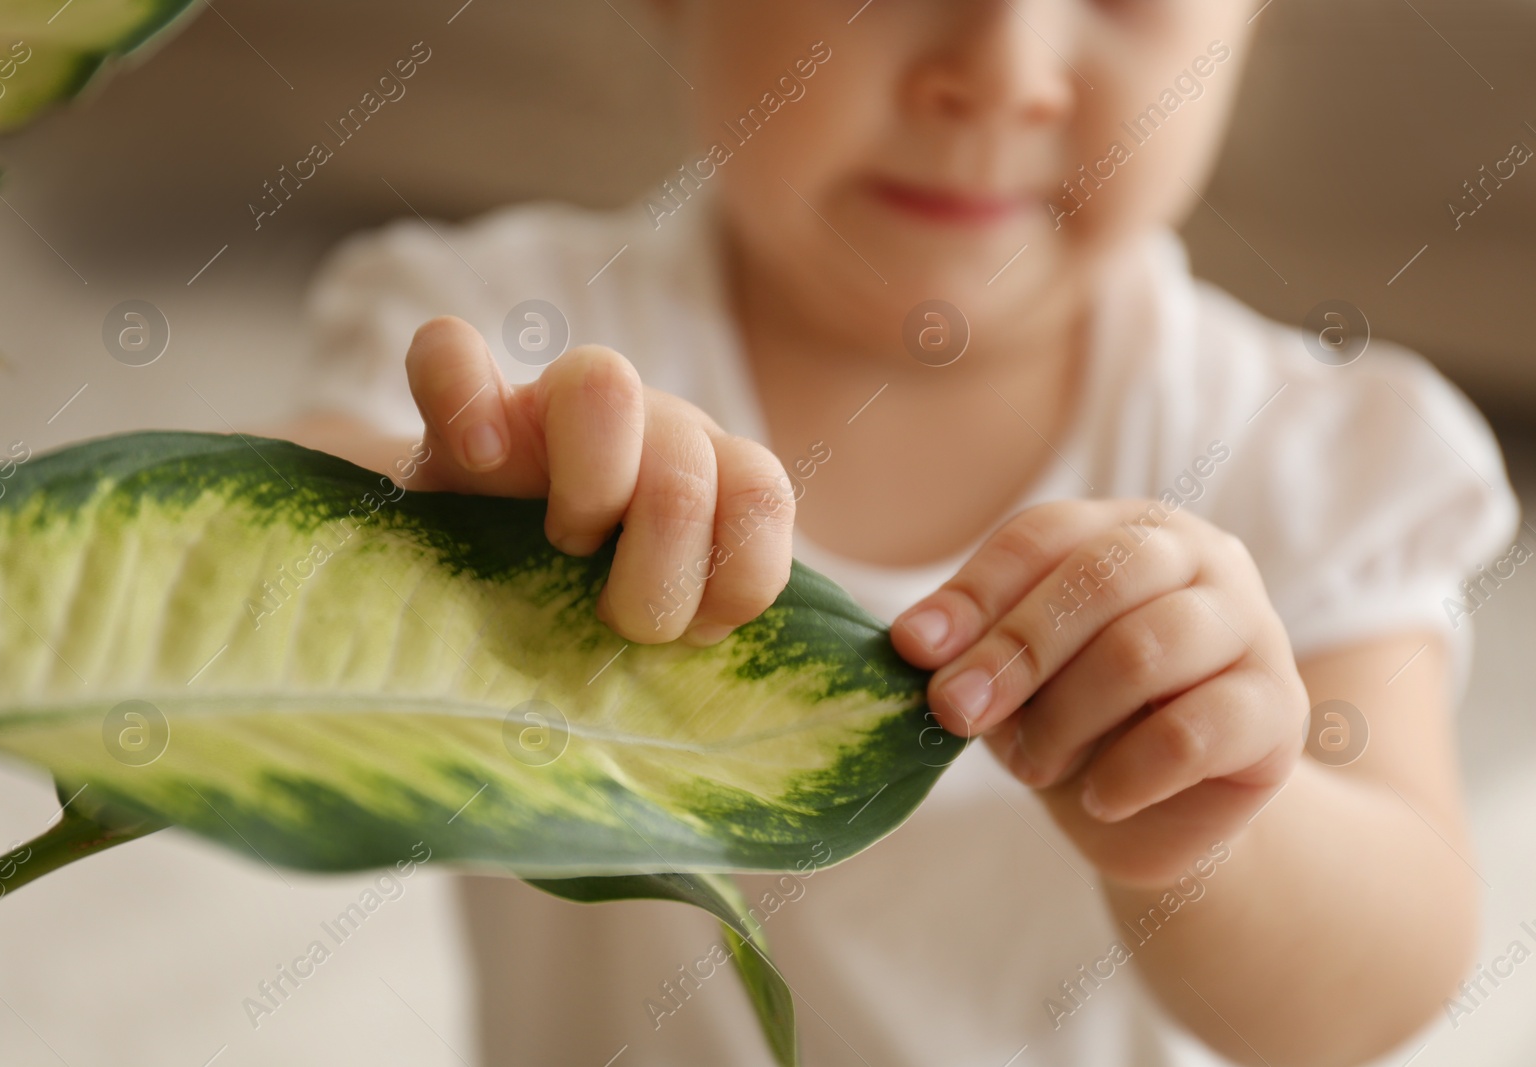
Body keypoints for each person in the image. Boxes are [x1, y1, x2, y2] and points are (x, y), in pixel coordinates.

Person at [278, 1, 1521, 1063]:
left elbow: (1386, 974)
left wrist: (1221, 819)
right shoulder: (503, 333)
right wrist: (446, 524)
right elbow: (245, 601)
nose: (1000, 68)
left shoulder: (1306, 454)